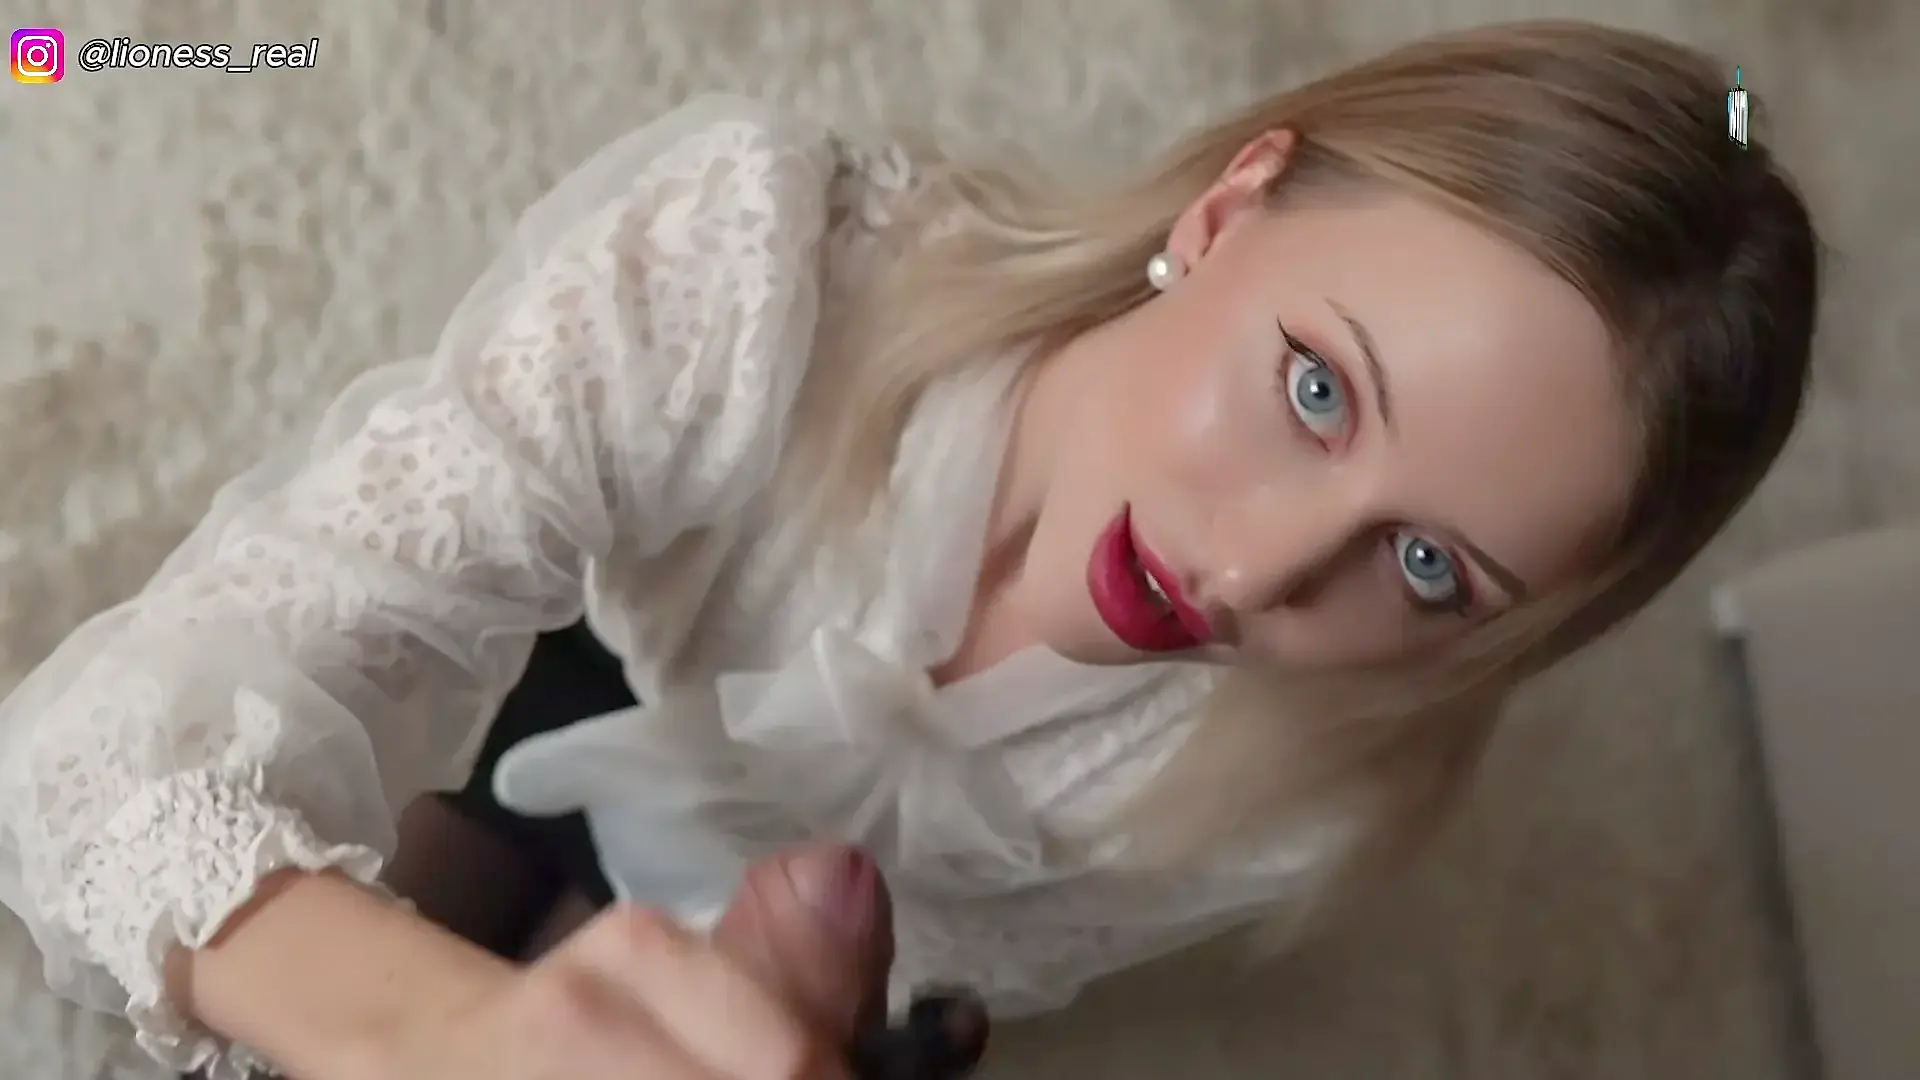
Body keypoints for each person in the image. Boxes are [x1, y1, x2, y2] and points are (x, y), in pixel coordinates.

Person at [0, 18, 1816, 1080]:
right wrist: (431, 1034)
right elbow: (99, 755)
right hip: (590, 659)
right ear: (1229, 207)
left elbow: (975, 948)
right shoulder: (752, 279)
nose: (1260, 576)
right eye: (1318, 391)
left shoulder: (1309, 792)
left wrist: (798, 989)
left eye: (1430, 572)